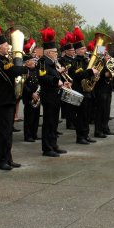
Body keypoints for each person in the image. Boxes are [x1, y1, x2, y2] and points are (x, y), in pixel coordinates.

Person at [0, 25, 27, 170]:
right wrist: (25, 67)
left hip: (8, 99)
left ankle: (8, 158)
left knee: (8, 132)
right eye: (6, 44)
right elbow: (10, 73)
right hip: (1, 100)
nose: (8, 46)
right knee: (2, 133)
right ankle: (1, 161)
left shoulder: (5, 59)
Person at [38, 27, 69, 157]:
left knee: (54, 122)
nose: (57, 54)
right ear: (49, 52)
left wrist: (63, 81)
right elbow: (42, 76)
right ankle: (47, 147)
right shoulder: (42, 62)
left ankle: (54, 144)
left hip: (55, 95)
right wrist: (56, 81)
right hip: (48, 95)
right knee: (48, 122)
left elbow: (54, 76)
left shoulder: (52, 63)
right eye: (55, 52)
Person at [69, 27, 98, 144]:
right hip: (79, 89)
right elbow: (78, 74)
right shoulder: (75, 61)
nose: (84, 49)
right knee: (81, 115)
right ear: (76, 51)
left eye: (84, 48)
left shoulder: (86, 60)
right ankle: (80, 136)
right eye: (82, 48)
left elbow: (90, 71)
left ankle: (86, 134)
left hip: (88, 91)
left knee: (87, 114)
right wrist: (91, 72)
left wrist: (95, 73)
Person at [21, 39, 40, 142]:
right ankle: (27, 135)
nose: (34, 62)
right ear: (27, 63)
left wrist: (38, 93)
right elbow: (23, 85)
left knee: (36, 116)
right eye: (32, 61)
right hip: (29, 97)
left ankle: (34, 133)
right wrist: (31, 93)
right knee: (29, 117)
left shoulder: (36, 70)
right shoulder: (25, 71)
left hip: (37, 95)